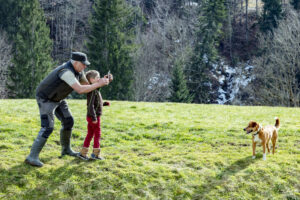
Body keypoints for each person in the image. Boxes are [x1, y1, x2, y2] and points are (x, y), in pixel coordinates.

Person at [25, 52, 111, 167]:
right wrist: (98, 84)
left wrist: (102, 81)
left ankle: (66, 150)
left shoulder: (79, 71)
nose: (85, 67)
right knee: (47, 127)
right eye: (83, 64)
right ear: (75, 62)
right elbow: (80, 89)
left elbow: (88, 85)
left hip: (58, 98)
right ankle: (32, 157)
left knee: (68, 121)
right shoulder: (66, 72)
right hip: (46, 99)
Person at [78, 70, 112, 160]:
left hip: (91, 116)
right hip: (94, 117)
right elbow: (90, 106)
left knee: (90, 134)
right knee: (97, 134)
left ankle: (83, 153)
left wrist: (103, 104)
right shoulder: (92, 91)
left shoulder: (95, 89)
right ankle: (95, 155)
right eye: (97, 78)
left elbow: (96, 103)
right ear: (92, 80)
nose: (99, 79)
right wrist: (94, 118)